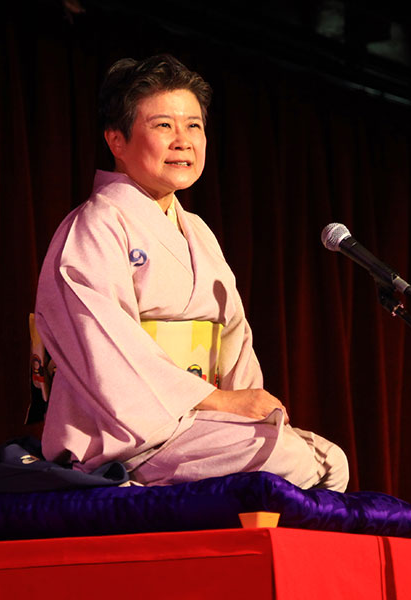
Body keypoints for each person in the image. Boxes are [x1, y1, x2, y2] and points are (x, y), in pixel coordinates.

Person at [35, 54, 349, 491]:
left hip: (198, 423)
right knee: (287, 458)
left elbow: (234, 338)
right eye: (164, 125)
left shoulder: (197, 231)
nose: (183, 141)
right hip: (129, 435)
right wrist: (217, 400)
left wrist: (244, 405)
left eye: (194, 126)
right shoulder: (96, 225)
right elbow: (106, 351)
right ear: (116, 140)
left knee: (330, 461)